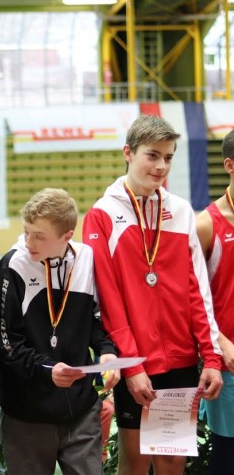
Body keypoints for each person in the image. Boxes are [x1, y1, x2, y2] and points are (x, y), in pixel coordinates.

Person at [82, 114, 223, 475]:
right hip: (136, 360)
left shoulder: (180, 211)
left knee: (172, 459)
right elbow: (108, 298)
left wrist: (211, 357)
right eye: (153, 155)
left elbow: (197, 289)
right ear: (128, 153)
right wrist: (131, 365)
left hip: (180, 358)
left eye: (168, 157)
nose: (161, 166)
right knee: (135, 459)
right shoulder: (102, 215)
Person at [0, 188, 120, 475]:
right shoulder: (13, 266)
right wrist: (47, 368)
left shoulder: (86, 258)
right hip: (27, 415)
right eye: (26, 232)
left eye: (39, 236)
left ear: (67, 236)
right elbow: (6, 344)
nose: (29, 242)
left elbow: (96, 319)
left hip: (81, 410)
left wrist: (107, 351)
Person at [196, 129, 234, 475]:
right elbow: (190, 295)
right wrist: (220, 343)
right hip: (230, 361)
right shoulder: (206, 225)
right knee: (228, 455)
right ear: (229, 165)